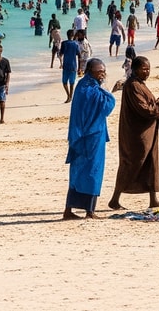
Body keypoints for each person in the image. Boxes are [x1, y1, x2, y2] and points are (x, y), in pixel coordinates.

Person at [109, 56, 159, 211]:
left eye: (148, 69)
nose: (147, 72)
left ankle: (153, 199)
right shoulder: (133, 85)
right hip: (136, 135)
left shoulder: (141, 84)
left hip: (148, 132)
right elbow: (144, 109)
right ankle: (114, 199)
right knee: (130, 164)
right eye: (144, 69)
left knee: (151, 162)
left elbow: (149, 105)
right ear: (135, 69)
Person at [63, 59, 119, 220]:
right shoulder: (90, 89)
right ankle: (88, 211)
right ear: (90, 71)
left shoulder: (83, 86)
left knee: (81, 172)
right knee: (91, 172)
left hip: (86, 135)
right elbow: (108, 104)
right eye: (99, 71)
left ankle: (73, 210)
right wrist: (105, 88)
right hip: (90, 137)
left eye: (103, 71)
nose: (102, 74)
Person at [59, 31, 82, 102]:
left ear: (67, 35)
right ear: (73, 35)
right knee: (72, 83)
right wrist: (79, 68)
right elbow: (79, 56)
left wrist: (61, 63)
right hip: (73, 66)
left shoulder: (64, 43)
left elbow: (61, 54)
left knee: (64, 82)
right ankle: (70, 96)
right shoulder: (76, 44)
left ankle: (68, 95)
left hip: (66, 65)